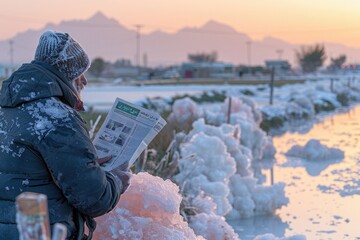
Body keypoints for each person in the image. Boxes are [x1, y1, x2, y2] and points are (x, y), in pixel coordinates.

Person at [0, 30, 131, 240]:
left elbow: (29, 171)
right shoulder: (58, 119)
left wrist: (84, 165)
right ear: (68, 75)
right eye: (81, 72)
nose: (85, 81)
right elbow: (94, 199)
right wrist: (115, 180)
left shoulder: (7, 109)